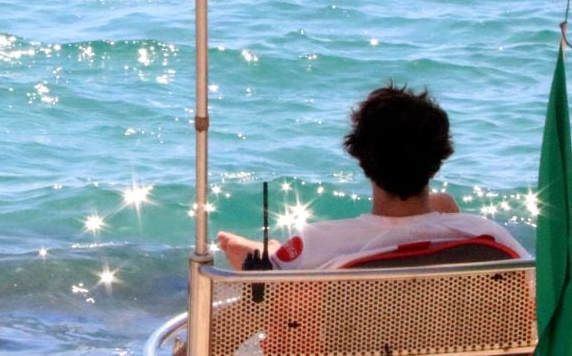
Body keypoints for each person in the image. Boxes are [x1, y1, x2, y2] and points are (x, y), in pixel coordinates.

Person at [217, 83, 529, 270]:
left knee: (252, 253)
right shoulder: (487, 238)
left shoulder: (317, 243)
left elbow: (267, 281)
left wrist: (258, 252)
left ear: (360, 157)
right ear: (438, 160)